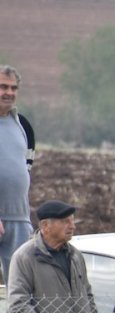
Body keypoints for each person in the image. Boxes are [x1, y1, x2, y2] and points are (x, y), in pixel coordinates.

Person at [0, 65, 35, 282]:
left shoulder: (23, 125)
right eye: (3, 86)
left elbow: (26, 168)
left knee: (21, 286)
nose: (9, 92)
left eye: (13, 88)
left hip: (19, 219)